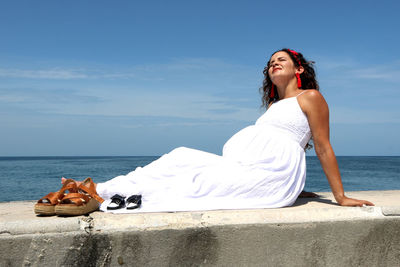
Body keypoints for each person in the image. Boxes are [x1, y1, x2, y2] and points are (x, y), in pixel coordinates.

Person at [61, 48, 374, 213]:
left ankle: (102, 194)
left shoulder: (312, 97)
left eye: (281, 60)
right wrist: (297, 187)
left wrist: (340, 196)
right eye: (270, 63)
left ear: (299, 68)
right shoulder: (274, 107)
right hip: (252, 168)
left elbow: (321, 146)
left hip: (272, 173)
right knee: (181, 156)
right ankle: (100, 187)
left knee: (196, 182)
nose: (273, 64)